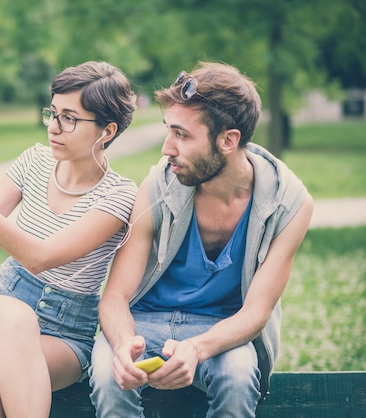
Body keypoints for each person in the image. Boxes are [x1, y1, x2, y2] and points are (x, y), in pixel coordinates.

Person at [0, 61, 137, 418]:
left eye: (69, 118)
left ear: (106, 131)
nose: (54, 127)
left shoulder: (119, 197)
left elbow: (41, 257)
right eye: (52, 112)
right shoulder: (33, 161)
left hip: (65, 332)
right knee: (14, 318)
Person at [89, 62, 314, 417]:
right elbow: (115, 297)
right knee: (108, 375)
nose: (166, 148)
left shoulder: (290, 205)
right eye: (168, 131)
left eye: (182, 135)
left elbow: (257, 311)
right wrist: (121, 347)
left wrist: (195, 348)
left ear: (228, 140)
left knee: (239, 378)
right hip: (144, 321)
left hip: (223, 328)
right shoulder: (156, 187)